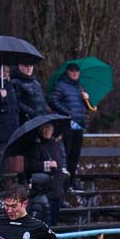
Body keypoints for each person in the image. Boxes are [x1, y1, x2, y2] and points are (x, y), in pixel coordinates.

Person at [48, 62, 89, 190]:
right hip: (67, 125)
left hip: (79, 125)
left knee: (75, 155)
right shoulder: (61, 85)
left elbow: (85, 107)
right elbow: (52, 100)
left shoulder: (80, 87)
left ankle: (72, 180)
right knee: (66, 154)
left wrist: (86, 99)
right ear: (67, 72)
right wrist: (67, 113)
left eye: (77, 70)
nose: (75, 73)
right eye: (72, 70)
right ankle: (64, 183)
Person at [24, 123, 67, 226]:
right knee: (46, 217)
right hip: (44, 188)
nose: (47, 132)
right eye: (45, 129)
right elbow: (31, 166)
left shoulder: (55, 144)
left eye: (49, 129)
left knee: (55, 215)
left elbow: (60, 162)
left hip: (57, 185)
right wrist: (47, 165)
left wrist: (63, 171)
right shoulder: (36, 146)